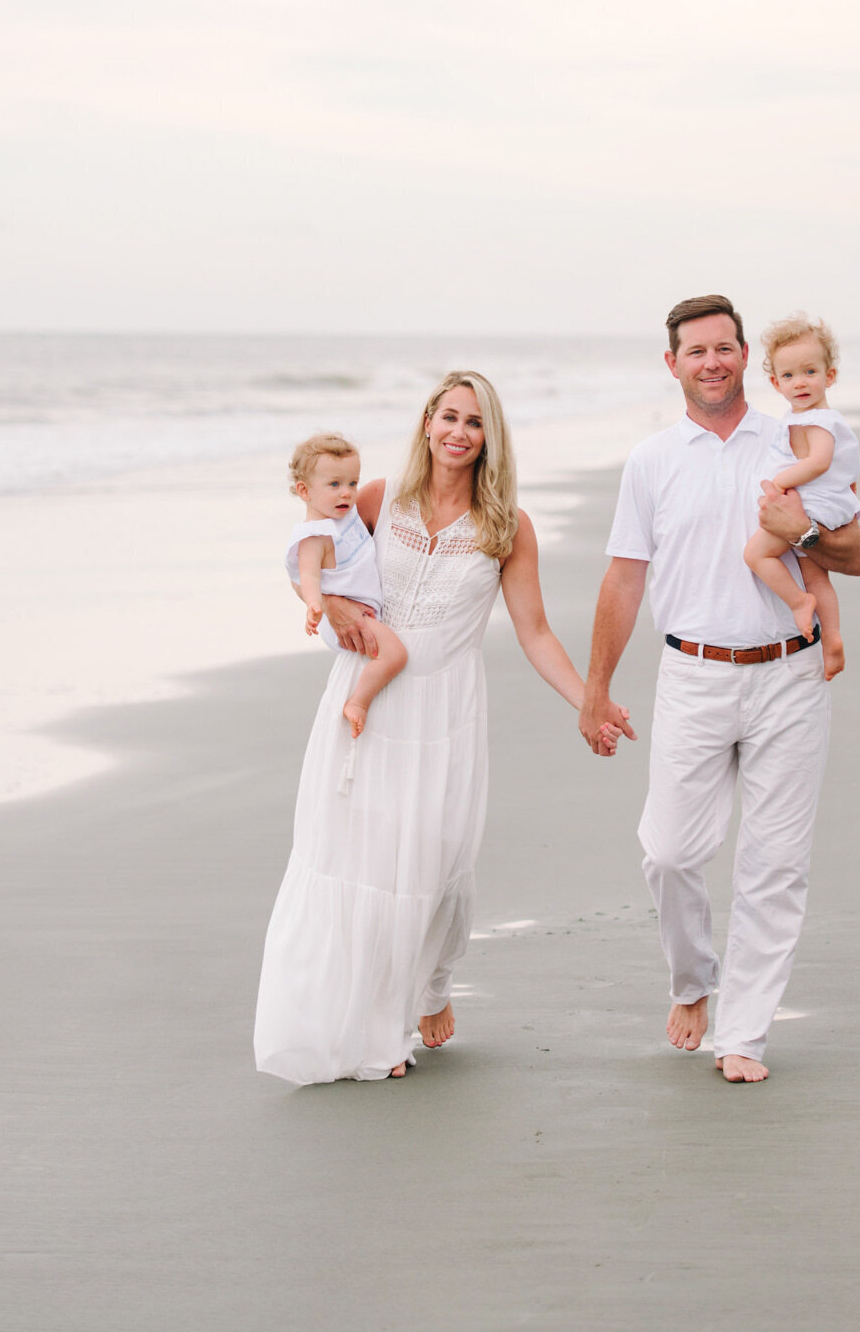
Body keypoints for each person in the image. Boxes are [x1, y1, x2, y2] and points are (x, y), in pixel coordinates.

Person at [255, 371, 623, 1083]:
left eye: (475, 422)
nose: (459, 432)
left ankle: (427, 986)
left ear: (491, 438)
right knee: (356, 862)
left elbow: (536, 632)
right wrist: (330, 610)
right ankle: (368, 1030)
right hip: (368, 695)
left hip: (444, 710)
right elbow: (311, 560)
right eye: (448, 416)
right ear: (427, 423)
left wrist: (590, 700)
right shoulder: (374, 498)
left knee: (429, 862)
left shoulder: (506, 527)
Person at [579, 295, 860, 1083]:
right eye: (696, 350)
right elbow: (624, 576)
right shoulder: (651, 461)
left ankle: (744, 1034)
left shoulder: (795, 439)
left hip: (790, 673)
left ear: (747, 358)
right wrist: (595, 688)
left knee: (775, 864)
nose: (712, 361)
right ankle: (693, 980)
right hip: (692, 675)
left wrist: (799, 526)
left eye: (725, 348)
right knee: (670, 853)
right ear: (671, 364)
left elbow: (855, 555)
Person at [742, 316, 860, 682]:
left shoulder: (819, 421)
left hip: (812, 504)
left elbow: (818, 461)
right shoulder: (802, 419)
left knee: (756, 554)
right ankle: (833, 640)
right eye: (790, 376)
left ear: (830, 375)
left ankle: (798, 602)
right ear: (776, 383)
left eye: (810, 371)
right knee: (816, 575)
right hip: (821, 505)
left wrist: (778, 483)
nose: (801, 382)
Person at [284, 432, 408, 739]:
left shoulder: (344, 518)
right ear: (304, 490)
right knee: (396, 655)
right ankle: (358, 702)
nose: (347, 494)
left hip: (362, 608)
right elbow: (308, 575)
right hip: (345, 617)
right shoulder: (315, 536)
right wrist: (316, 605)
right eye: (334, 485)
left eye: (353, 483)